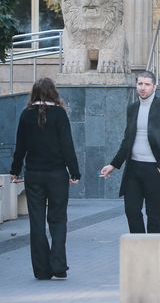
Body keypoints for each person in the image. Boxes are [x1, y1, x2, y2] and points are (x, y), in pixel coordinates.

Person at [9, 78, 81, 280]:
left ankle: (41, 270)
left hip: (34, 175)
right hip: (57, 174)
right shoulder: (60, 114)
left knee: (37, 222)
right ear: (53, 93)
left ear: (34, 93)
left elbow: (20, 146)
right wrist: (74, 172)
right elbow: (67, 145)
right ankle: (58, 266)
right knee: (58, 219)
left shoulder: (26, 115)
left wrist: (15, 170)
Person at [99, 71, 160, 233]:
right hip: (133, 168)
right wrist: (113, 164)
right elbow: (127, 140)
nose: (143, 88)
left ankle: (153, 252)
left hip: (154, 169)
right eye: (140, 84)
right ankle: (139, 243)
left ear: (154, 87)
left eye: (147, 84)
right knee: (131, 210)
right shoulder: (132, 108)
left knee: (153, 214)